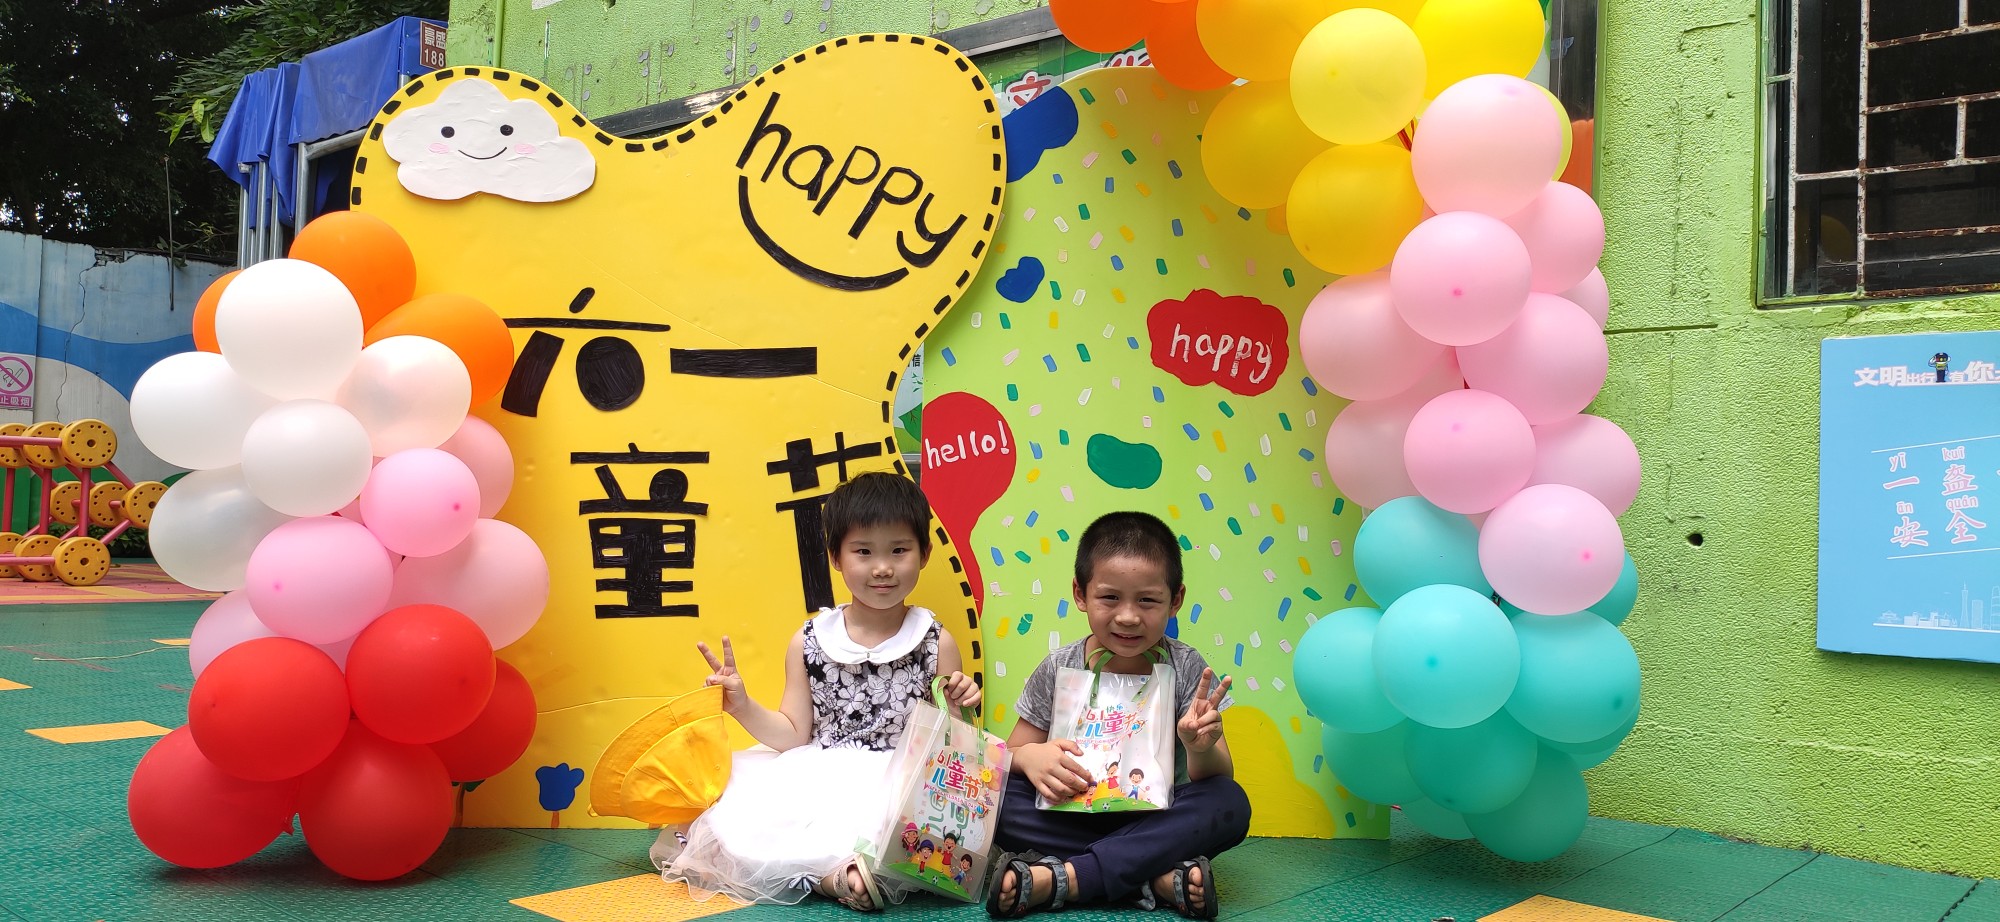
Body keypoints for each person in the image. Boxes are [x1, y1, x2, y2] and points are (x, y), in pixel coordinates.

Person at [657, 472, 982, 912]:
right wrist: (741, 704)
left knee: (900, 836)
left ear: (924, 554)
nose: (882, 567)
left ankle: (846, 876)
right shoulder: (810, 640)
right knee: (749, 826)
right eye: (863, 551)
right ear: (835, 557)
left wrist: (959, 705)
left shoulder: (936, 642)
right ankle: (832, 877)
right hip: (817, 774)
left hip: (898, 781)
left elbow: (951, 750)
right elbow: (793, 733)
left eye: (898, 550)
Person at [986, 511, 1250, 920]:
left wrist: (1199, 747)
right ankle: (1152, 876)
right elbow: (1010, 754)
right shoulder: (1058, 666)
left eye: (1147, 600)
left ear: (1175, 600)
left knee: (1229, 802)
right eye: (1110, 598)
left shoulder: (1186, 667)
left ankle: (1065, 878)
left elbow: (1219, 775)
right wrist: (1029, 757)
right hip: (1075, 817)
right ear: (1080, 594)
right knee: (996, 796)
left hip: (1160, 819)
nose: (1128, 616)